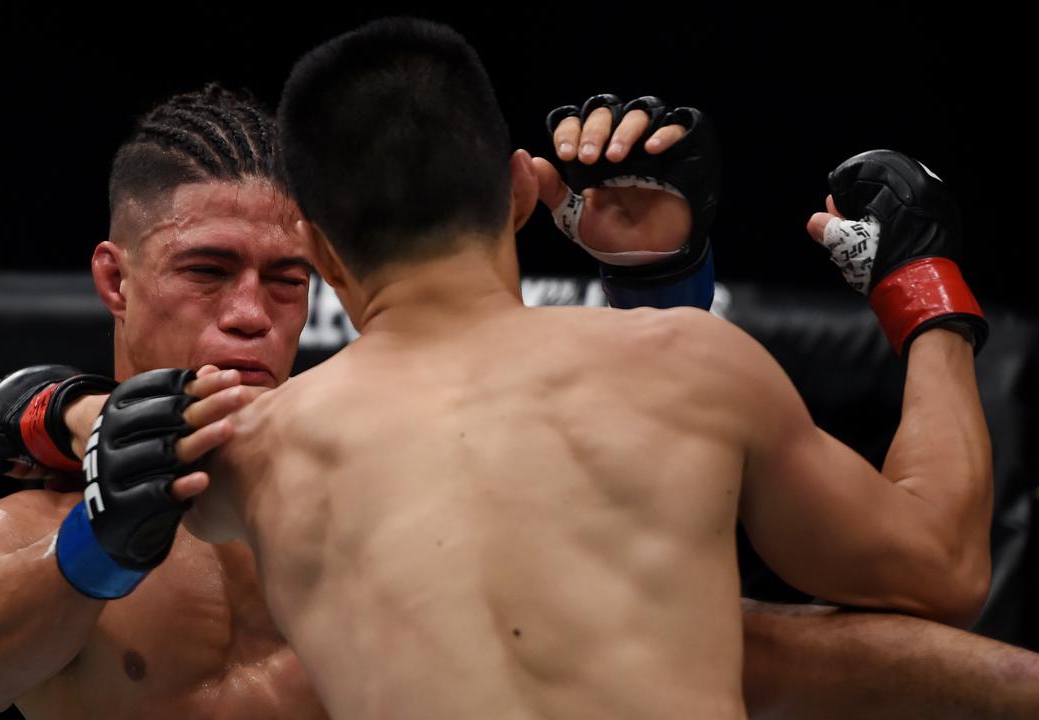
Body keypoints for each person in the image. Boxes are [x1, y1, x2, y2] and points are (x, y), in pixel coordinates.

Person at [146, 17, 992, 718]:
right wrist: (925, 293)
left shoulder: (250, 453)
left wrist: (48, 411)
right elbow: (943, 568)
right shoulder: (696, 364)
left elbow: (91, 444)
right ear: (521, 191)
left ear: (321, 253)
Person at [0, 85, 327, 720]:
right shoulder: (21, 532)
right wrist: (97, 546)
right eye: (207, 272)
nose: (251, 315)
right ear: (115, 281)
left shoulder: (364, 504)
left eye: (287, 281)